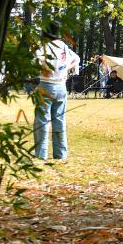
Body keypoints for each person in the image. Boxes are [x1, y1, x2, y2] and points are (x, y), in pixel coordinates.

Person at [33, 21, 79, 161]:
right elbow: (76, 59)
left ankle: (41, 154)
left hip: (46, 85)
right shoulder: (63, 46)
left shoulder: (44, 47)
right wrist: (64, 69)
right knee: (59, 120)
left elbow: (35, 62)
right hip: (61, 86)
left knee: (42, 120)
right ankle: (60, 154)